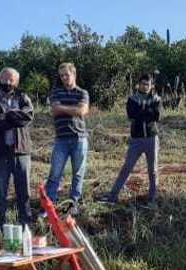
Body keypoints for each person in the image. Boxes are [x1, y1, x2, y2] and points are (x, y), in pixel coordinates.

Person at [0, 68, 35, 230]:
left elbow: (28, 117)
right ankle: (0, 227)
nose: (8, 82)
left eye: (12, 80)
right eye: (5, 78)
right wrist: (14, 117)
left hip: (21, 152)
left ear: (16, 82)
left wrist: (6, 115)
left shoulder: (23, 97)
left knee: (24, 192)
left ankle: (26, 225)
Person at [102, 74, 162, 205]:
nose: (145, 86)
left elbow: (156, 116)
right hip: (136, 139)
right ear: (138, 85)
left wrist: (142, 112)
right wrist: (148, 112)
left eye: (148, 84)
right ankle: (112, 197)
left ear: (151, 85)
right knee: (127, 167)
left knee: (153, 170)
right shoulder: (132, 99)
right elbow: (131, 115)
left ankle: (152, 199)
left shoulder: (156, 98)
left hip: (152, 138)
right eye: (143, 84)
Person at [46, 62, 90, 213]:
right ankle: (49, 205)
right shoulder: (56, 92)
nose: (64, 78)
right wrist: (74, 109)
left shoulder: (83, 93)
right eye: (62, 75)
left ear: (74, 74)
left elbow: (82, 111)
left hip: (79, 138)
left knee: (78, 173)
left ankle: (73, 203)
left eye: (67, 74)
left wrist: (62, 108)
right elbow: (55, 110)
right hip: (61, 139)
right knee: (55, 173)